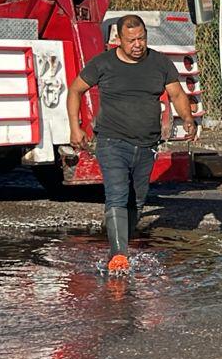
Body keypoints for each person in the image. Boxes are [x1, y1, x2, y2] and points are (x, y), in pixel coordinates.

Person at [67, 14, 198, 273]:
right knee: (117, 194)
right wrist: (76, 127)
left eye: (142, 38)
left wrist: (188, 119)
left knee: (136, 202)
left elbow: (177, 93)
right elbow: (75, 90)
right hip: (112, 141)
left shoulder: (159, 62)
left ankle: (120, 242)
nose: (138, 44)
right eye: (131, 40)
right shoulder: (103, 63)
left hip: (146, 145)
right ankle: (118, 256)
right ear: (118, 39)